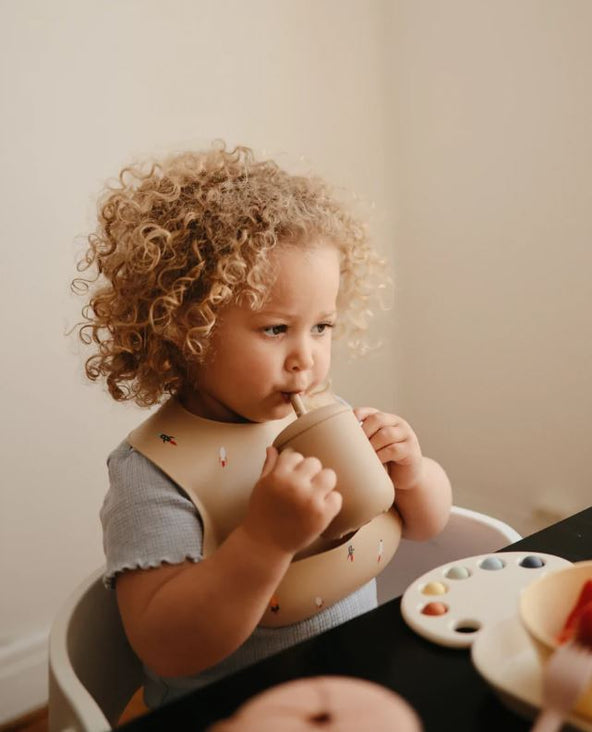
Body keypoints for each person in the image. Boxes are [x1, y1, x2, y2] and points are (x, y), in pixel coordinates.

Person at [72, 142, 452, 710]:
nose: (307, 358)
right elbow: (169, 644)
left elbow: (427, 525)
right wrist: (264, 541)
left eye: (321, 326)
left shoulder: (327, 415)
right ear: (188, 328)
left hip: (358, 692)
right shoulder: (153, 475)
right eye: (276, 329)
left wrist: (413, 473)